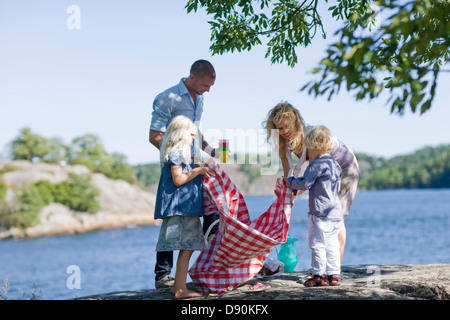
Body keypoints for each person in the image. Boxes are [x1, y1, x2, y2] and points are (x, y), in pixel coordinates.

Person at [263, 101, 359, 271]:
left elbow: (312, 176)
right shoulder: (283, 141)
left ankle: (334, 269)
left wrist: (294, 193)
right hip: (324, 172)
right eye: (279, 128)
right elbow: (289, 173)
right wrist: (288, 193)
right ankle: (326, 268)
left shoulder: (311, 136)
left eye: (287, 126)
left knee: (335, 217)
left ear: (296, 122)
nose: (284, 131)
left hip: (345, 167)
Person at [149, 60, 220, 290]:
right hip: (177, 166)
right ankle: (163, 276)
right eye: (205, 85)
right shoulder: (168, 97)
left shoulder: (200, 98)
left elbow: (194, 131)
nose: (208, 89)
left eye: (210, 86)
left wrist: (211, 151)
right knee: (173, 220)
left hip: (193, 166)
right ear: (192, 76)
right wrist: (176, 156)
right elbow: (154, 135)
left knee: (205, 212)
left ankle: (214, 263)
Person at [154, 115, 216, 299]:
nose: (193, 140)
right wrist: (198, 171)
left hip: (184, 209)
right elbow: (178, 179)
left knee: (186, 248)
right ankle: (180, 290)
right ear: (180, 135)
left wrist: (200, 168)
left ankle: (177, 287)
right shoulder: (177, 153)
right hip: (180, 210)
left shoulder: (182, 155)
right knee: (186, 248)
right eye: (191, 135)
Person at [284, 125, 343, 286]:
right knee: (332, 245)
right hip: (335, 213)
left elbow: (305, 184)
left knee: (317, 244)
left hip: (319, 214)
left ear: (313, 147)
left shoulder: (315, 165)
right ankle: (334, 274)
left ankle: (319, 274)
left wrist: (289, 182)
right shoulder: (334, 164)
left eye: (307, 150)